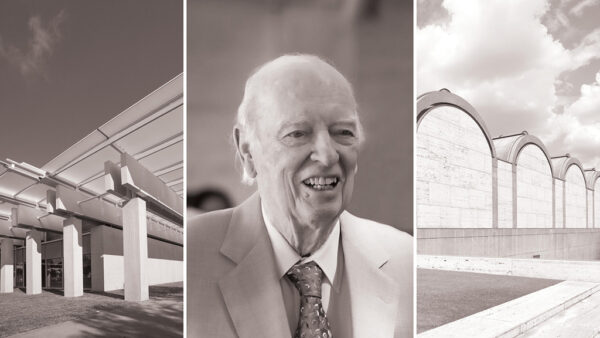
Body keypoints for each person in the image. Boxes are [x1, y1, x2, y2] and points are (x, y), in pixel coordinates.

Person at [187, 54, 413, 338]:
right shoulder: (192, 255)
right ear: (247, 152)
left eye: (343, 132)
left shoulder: (405, 259)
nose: (328, 154)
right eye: (297, 134)